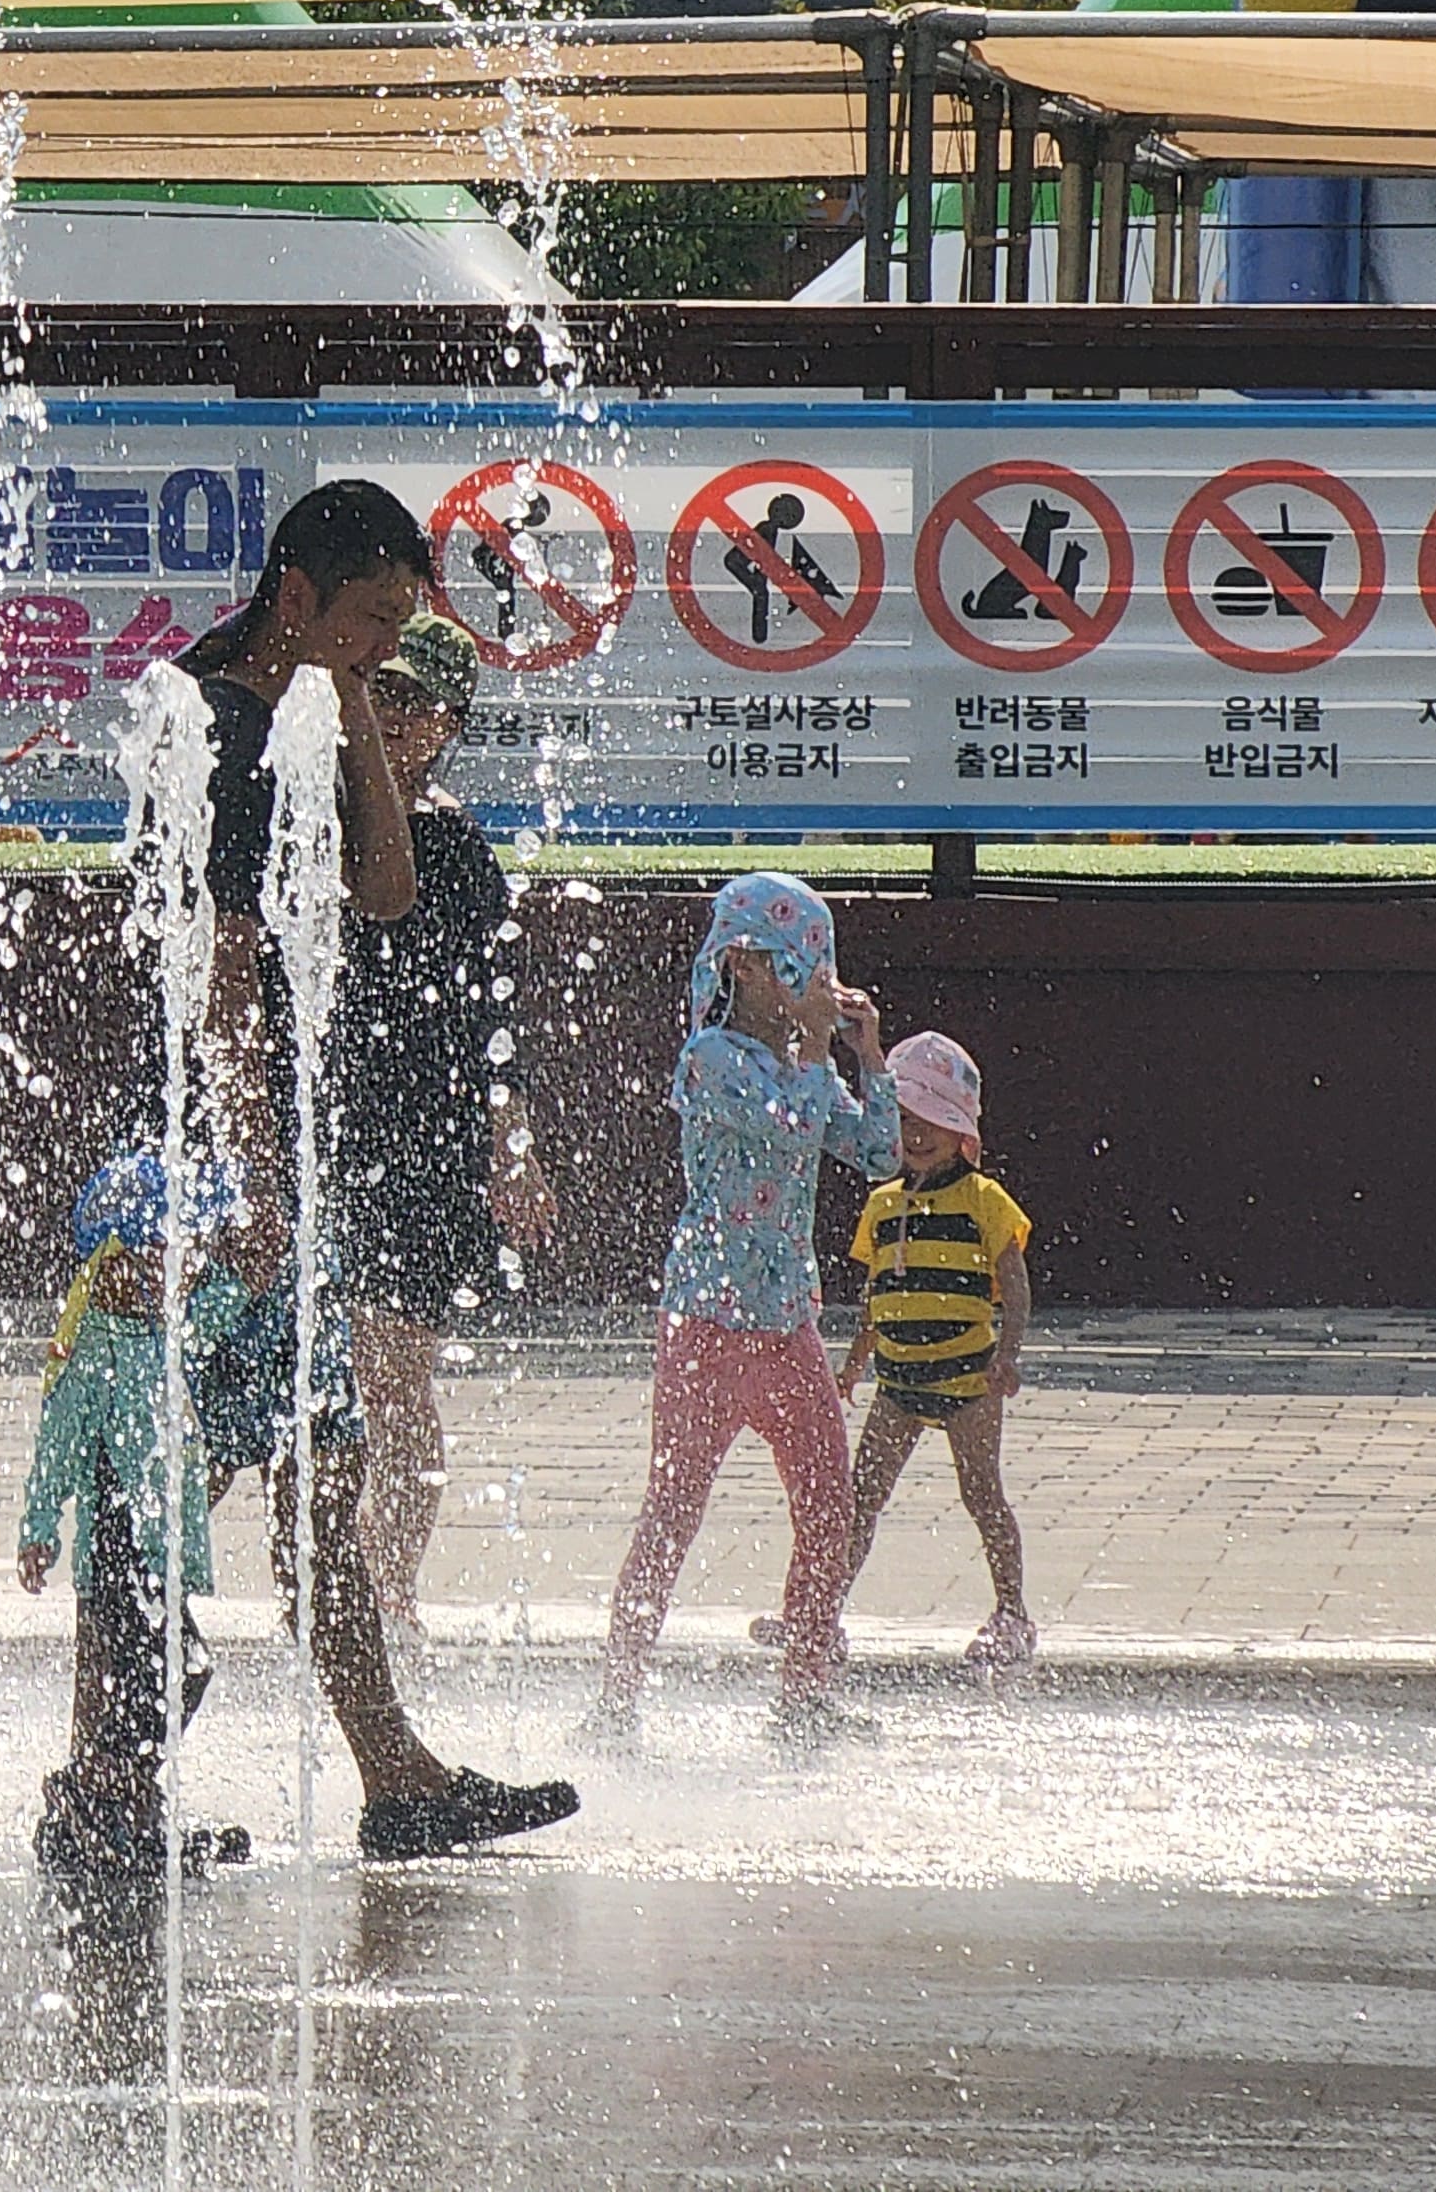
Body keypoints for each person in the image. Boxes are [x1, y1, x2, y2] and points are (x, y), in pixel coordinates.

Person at [170, 477, 581, 1862]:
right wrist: (250, 1183)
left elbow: (390, 892)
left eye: (407, 634)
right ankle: (110, 1782)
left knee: (302, 1466)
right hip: (215, 1173)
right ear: (295, 600)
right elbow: (223, 982)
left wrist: (343, 699)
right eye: (368, 626)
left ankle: (393, 1777)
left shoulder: (300, 707)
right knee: (173, 1474)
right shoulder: (218, 732)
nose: (386, 656)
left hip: (267, 1167)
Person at [591, 870, 899, 1746]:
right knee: (674, 1511)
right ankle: (617, 1701)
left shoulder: (808, 1065)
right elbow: (789, 1123)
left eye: (819, 970)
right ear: (747, 966)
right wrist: (819, 1054)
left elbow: (877, 1152)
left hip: (788, 1327)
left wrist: (869, 1059)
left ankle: (803, 1698)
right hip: (707, 1328)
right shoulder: (710, 1061)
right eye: (801, 968)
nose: (815, 988)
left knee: (829, 1507)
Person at [327, 608, 557, 1657]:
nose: (396, 718)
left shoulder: (461, 852)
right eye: (382, 694)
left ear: (451, 721)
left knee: (397, 1385)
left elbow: (491, 1024)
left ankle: (385, 1592)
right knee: (332, 1389)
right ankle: (338, 1593)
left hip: (428, 1152)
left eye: (418, 704)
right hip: (324, 1146)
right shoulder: (309, 817)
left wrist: (513, 1147)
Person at [20, 1146, 255, 1879]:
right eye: (164, 1255)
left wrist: (247, 1261)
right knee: (175, 1668)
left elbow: (230, 1295)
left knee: (165, 1672)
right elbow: (56, 1438)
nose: (179, 1270)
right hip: (117, 1553)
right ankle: (101, 1792)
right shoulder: (97, 1343)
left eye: (184, 1256)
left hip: (161, 1551)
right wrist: (37, 1530)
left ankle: (115, 1802)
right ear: (117, 1264)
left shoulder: (169, 1329)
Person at [832, 1031, 1037, 1668]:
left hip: (969, 1380)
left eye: (933, 1123)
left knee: (982, 1493)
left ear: (961, 1133)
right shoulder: (882, 1205)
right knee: (860, 1496)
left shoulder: (984, 1200)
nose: (917, 1137)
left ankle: (1012, 1614)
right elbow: (876, 1294)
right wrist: (853, 1362)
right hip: (897, 1382)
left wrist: (1009, 1352)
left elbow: (1015, 1282)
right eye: (904, 1121)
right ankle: (820, 1614)